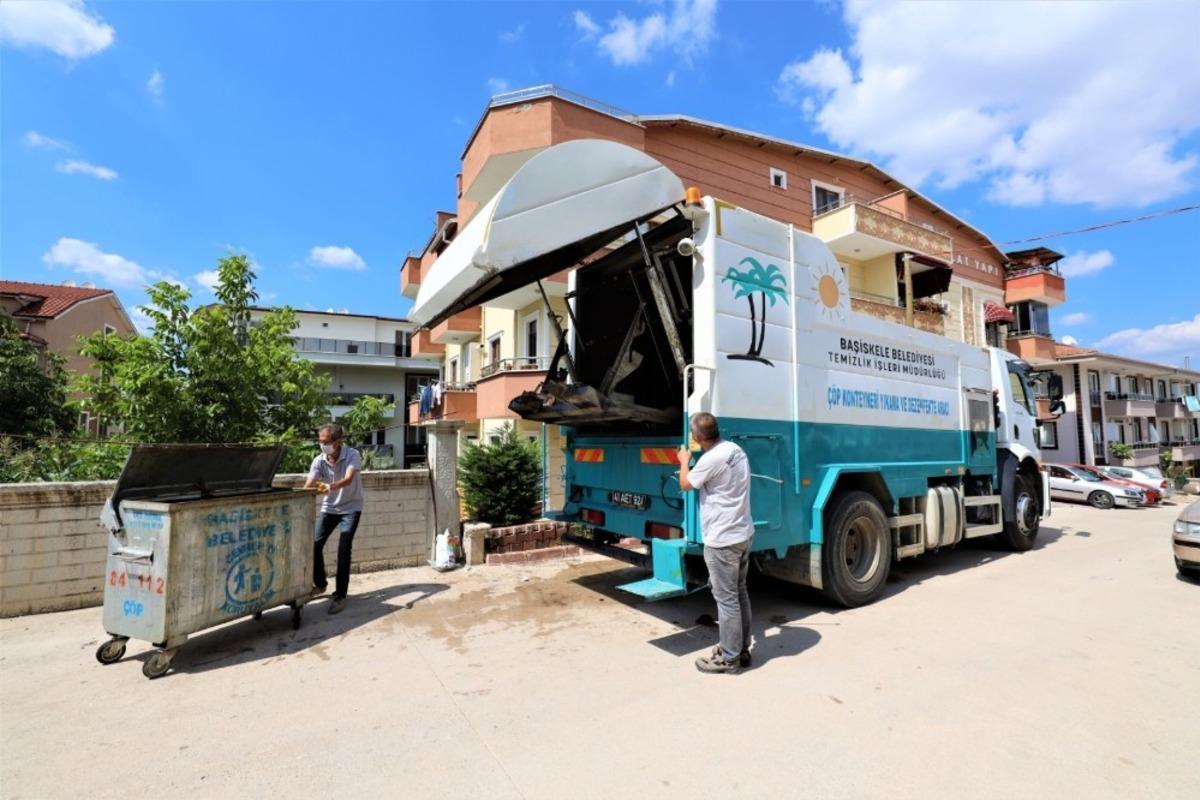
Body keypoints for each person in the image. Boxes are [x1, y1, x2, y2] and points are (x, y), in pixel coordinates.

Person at [677, 412, 754, 674]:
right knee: (739, 592)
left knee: (727, 599)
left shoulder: (710, 459)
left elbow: (686, 484)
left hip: (723, 540)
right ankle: (741, 650)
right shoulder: (735, 449)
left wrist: (684, 461)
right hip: (743, 533)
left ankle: (729, 658)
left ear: (697, 438)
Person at [304, 423, 364, 614]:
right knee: (314, 544)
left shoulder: (352, 454)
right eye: (320, 441)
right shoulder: (319, 460)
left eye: (327, 442)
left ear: (338, 441)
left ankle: (340, 595)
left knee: (343, 548)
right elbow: (309, 484)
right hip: (329, 508)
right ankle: (321, 584)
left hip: (351, 508)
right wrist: (303, 493)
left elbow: (348, 479)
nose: (323, 445)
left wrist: (329, 487)